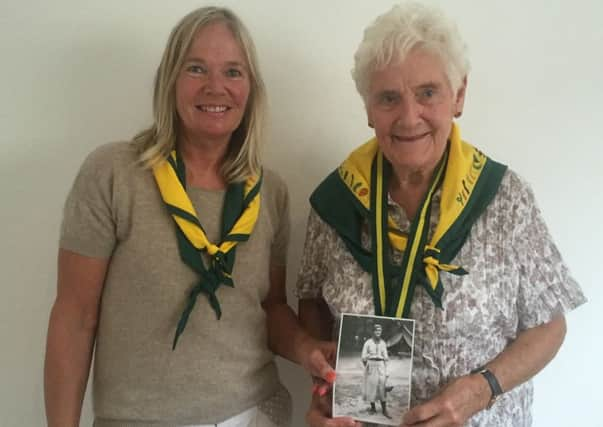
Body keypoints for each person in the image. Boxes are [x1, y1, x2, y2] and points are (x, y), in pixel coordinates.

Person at [296, 2, 586, 426]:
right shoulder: (336, 202)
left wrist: (482, 388)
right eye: (389, 98)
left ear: (459, 95)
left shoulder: (504, 198)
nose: (409, 117)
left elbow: (549, 326)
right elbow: (313, 303)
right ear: (368, 109)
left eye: (427, 92)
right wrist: (326, 389)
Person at [44, 6, 333, 427]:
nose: (216, 87)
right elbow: (74, 316)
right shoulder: (113, 174)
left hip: (254, 413)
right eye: (196, 68)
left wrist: (306, 348)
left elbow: (268, 308)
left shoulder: (269, 192)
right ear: (170, 81)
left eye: (233, 72)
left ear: (251, 88)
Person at [361, 324, 390, 418]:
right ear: (373, 331)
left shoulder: (383, 343)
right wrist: (368, 366)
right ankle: (373, 408)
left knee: (382, 386)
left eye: (380, 331)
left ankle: (384, 410)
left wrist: (386, 371)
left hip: (381, 365)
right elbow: (363, 357)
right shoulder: (368, 343)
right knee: (372, 387)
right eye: (377, 331)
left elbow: (386, 358)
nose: (378, 333)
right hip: (371, 365)